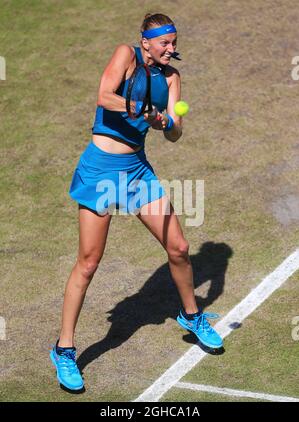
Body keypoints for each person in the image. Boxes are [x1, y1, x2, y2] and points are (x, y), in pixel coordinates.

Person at [50, 13, 223, 392]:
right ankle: (64, 350)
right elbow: (104, 95)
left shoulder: (173, 78)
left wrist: (168, 124)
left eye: (174, 42)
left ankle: (191, 316)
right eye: (165, 42)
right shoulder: (125, 55)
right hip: (101, 171)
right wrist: (142, 109)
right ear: (145, 41)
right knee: (89, 262)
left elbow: (175, 135)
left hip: (137, 171)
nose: (171, 49)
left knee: (179, 247)